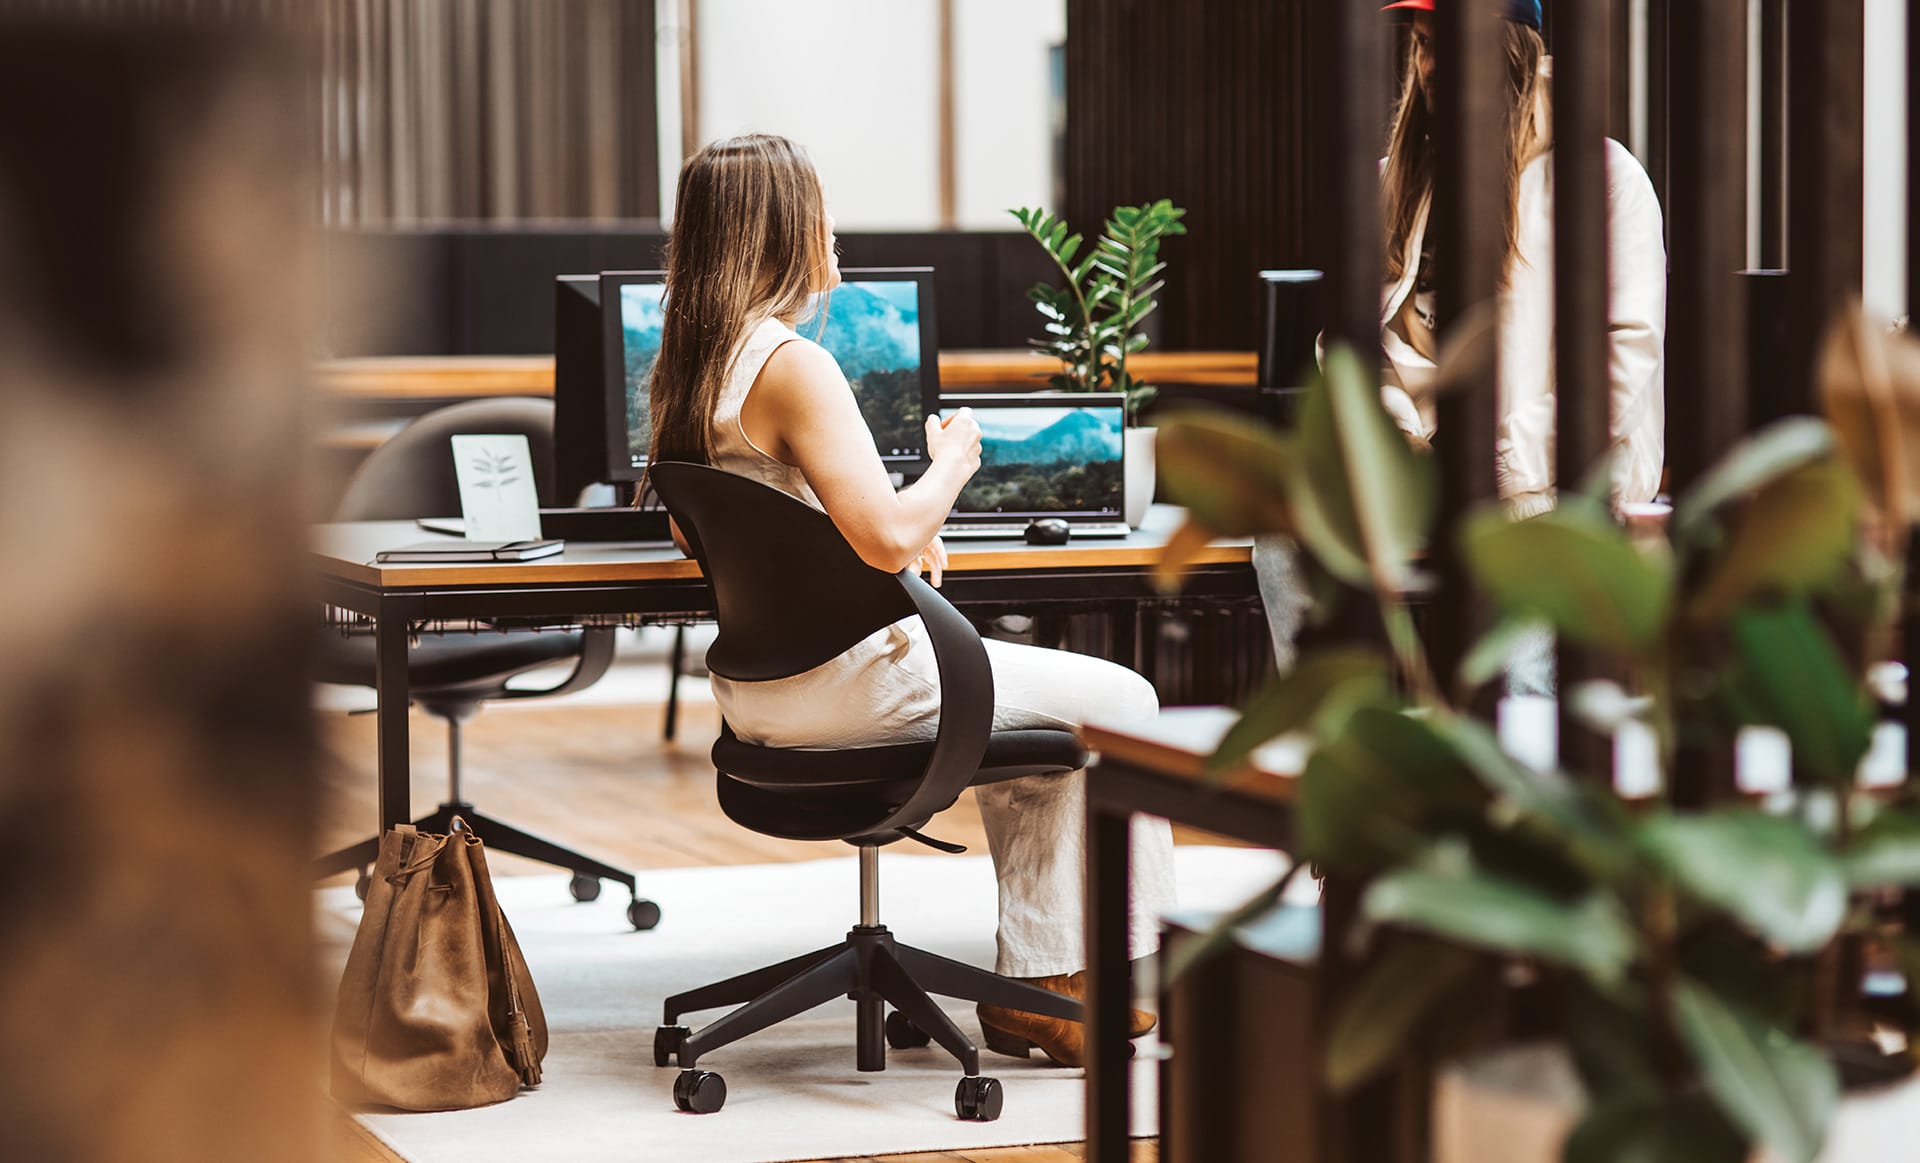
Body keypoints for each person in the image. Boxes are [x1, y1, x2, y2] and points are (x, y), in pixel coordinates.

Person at [647, 133, 1174, 1067]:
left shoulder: (689, 373)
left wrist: (867, 535)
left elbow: (713, 531)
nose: (833, 227)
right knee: (1126, 704)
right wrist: (951, 467)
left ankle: (1046, 988)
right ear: (784, 229)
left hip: (764, 697)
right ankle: (1101, 981)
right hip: (851, 688)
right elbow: (887, 537)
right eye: (820, 208)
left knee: (1047, 737)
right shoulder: (792, 364)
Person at [1255, 0, 1667, 685]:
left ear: (1513, 49)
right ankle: (1343, 728)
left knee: (1520, 696)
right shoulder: (1401, 174)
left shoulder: (1604, 179)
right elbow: (1349, 340)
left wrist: (1498, 459)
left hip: (1548, 486)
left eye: (1447, 44)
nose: (1429, 66)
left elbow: (1622, 358)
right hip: (1427, 472)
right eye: (1421, 45)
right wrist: (1400, 439)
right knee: (1283, 541)